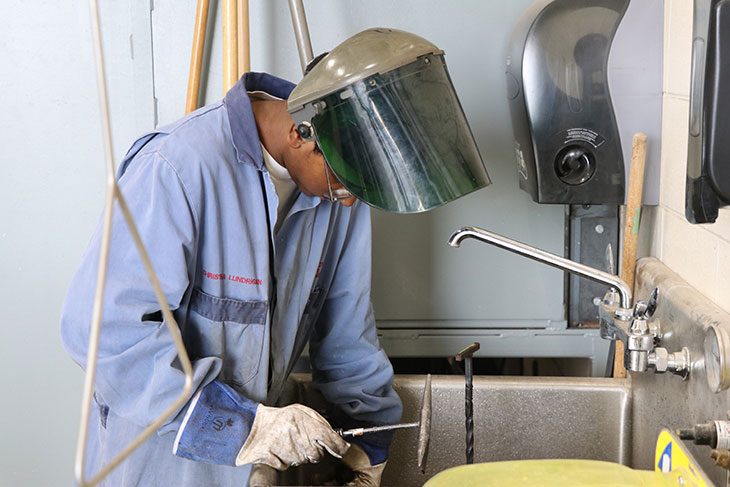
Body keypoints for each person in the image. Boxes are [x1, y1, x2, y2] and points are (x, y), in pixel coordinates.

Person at [60, 68, 402, 486]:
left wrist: (370, 437)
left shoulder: (337, 187)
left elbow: (347, 330)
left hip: (249, 474)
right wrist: (245, 427)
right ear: (300, 135)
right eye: (346, 184)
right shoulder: (175, 166)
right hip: (158, 468)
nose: (350, 200)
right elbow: (102, 334)